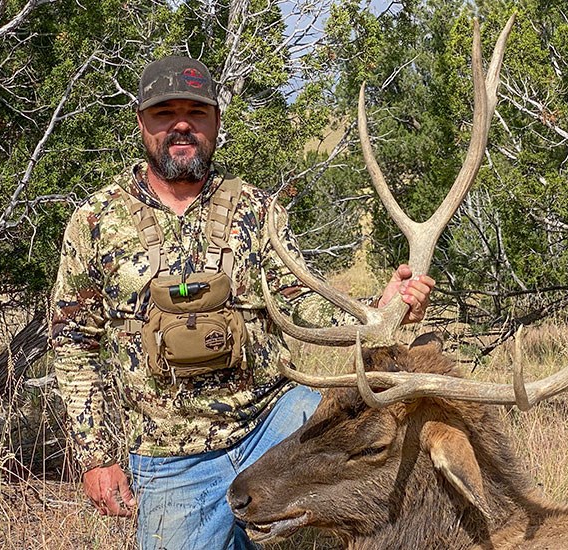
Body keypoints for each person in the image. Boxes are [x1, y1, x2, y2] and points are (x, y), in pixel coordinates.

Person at [49, 56, 435, 550]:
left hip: (276, 425)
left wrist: (376, 312)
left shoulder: (256, 210)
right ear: (143, 123)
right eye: (166, 113)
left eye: (197, 113)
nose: (182, 125)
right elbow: (73, 344)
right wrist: (96, 455)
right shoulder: (96, 221)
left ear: (216, 123)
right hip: (172, 456)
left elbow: (300, 305)